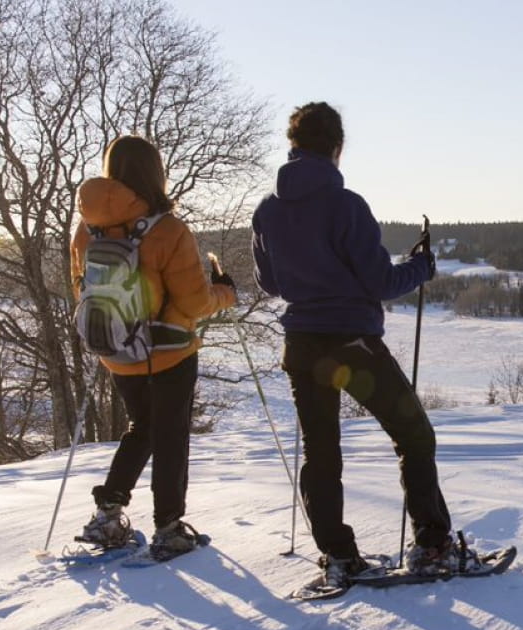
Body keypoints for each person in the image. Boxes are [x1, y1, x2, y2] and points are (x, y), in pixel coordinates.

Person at [252, 101, 463, 586]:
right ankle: (431, 546)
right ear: (337, 148)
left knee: (321, 451)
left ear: (292, 146)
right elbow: (379, 283)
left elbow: (271, 285)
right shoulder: (347, 206)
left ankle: (339, 555)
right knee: (414, 435)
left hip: (301, 345)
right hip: (351, 346)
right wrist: (423, 268)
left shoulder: (267, 210)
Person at [71, 134, 236, 560]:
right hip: (169, 352)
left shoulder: (86, 230)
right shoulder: (168, 230)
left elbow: (80, 289)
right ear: (155, 173)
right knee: (170, 434)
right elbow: (195, 303)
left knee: (141, 427)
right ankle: (169, 527)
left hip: (117, 351)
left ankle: (108, 514)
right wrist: (225, 293)